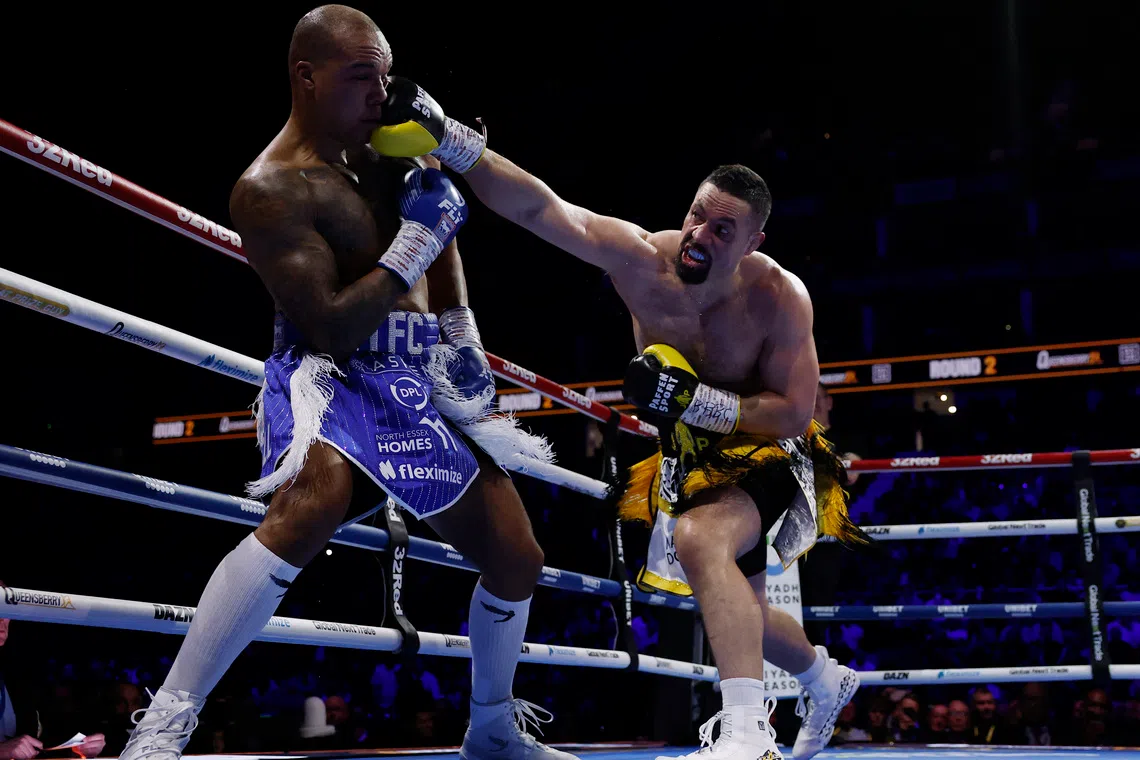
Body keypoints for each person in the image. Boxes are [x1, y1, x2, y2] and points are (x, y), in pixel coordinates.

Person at [119, 8, 571, 760]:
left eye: (385, 74)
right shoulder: (270, 189)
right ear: (307, 76)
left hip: (413, 374)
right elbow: (329, 325)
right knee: (310, 506)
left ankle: (491, 727)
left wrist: (461, 327)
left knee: (518, 557)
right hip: (328, 374)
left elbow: (442, 217)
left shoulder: (389, 148)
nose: (381, 91)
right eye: (363, 76)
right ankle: (166, 722)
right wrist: (417, 242)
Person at [370, 79, 869, 760]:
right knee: (733, 599)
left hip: (771, 450)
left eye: (724, 229)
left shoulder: (780, 298)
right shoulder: (643, 262)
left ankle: (749, 734)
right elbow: (542, 210)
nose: (700, 234)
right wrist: (449, 134)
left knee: (699, 541)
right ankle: (825, 677)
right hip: (692, 457)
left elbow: (792, 412)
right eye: (697, 215)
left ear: (754, 240)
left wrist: (698, 401)